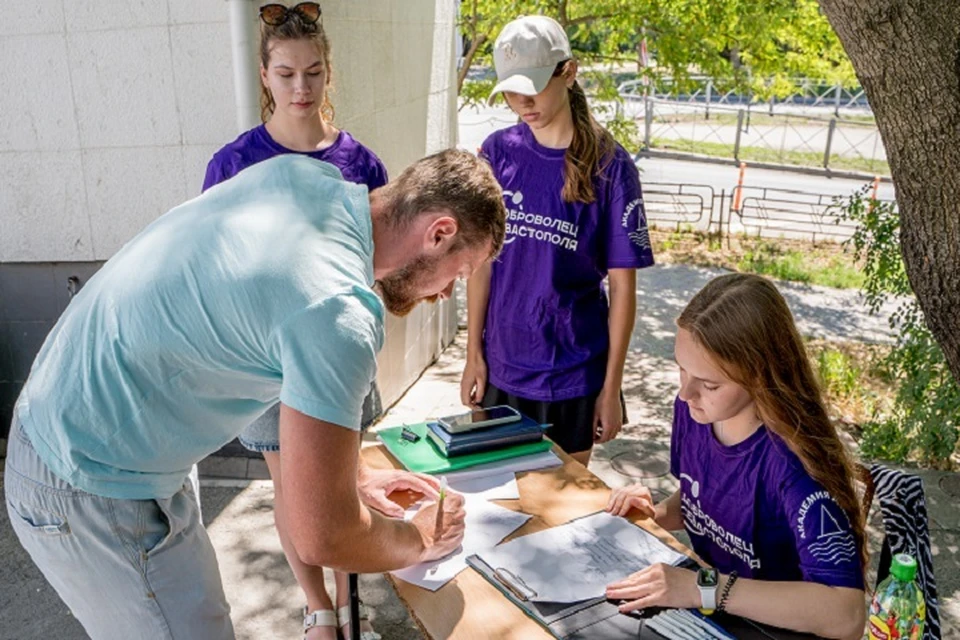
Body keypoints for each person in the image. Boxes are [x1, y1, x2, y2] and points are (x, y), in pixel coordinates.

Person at [5, 149, 506, 640]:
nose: (444, 294)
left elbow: (273, 325)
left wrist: (351, 481)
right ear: (439, 233)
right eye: (458, 275)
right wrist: (419, 539)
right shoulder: (338, 311)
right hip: (88, 480)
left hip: (82, 427)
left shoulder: (303, 177)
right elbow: (323, 535)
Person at [202, 5, 389, 637]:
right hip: (264, 362)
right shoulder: (233, 164)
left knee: (343, 484)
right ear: (265, 75)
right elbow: (212, 264)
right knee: (295, 490)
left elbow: (377, 264)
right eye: (286, 75)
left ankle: (350, 600)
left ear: (328, 73)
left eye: (313, 73)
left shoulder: (361, 165)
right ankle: (320, 609)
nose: (300, 89)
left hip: (336, 355)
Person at [604, 273, 867, 639]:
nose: (685, 393)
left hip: (774, 628)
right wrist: (655, 515)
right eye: (681, 368)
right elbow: (706, 497)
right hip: (707, 611)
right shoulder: (697, 412)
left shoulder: (793, 468)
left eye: (710, 384)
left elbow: (847, 615)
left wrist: (702, 587)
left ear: (761, 375)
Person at [460, 15, 654, 467]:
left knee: (563, 517)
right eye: (509, 90)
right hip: (503, 368)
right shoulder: (497, 152)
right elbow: (481, 263)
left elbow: (623, 290)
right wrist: (473, 353)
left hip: (573, 377)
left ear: (568, 72)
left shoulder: (611, 167)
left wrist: (610, 388)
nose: (521, 103)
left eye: (533, 87)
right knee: (498, 507)